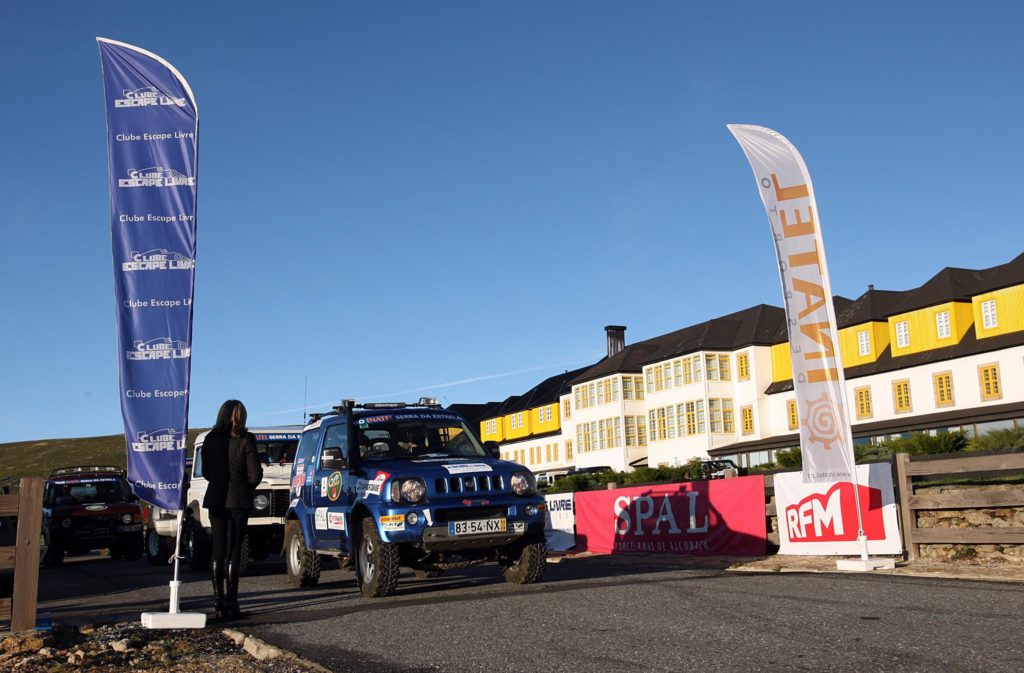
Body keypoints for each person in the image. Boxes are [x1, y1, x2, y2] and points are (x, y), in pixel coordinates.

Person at [201, 399, 262, 619]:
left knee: (218, 549)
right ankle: (232, 601)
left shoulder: (209, 439)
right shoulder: (246, 439)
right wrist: (245, 487)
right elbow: (255, 474)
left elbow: (206, 472)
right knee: (234, 551)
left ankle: (218, 600)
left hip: (216, 499)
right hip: (238, 500)